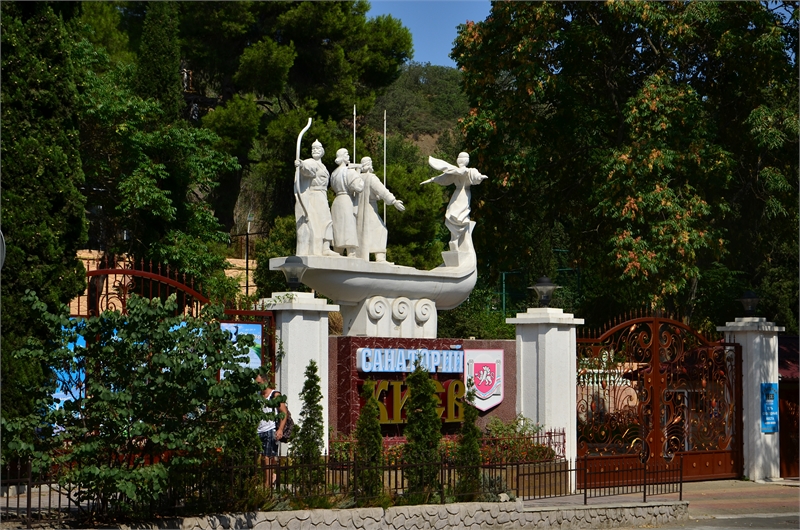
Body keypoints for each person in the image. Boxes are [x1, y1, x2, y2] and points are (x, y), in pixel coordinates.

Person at [422, 152, 487, 251]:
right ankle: (455, 239)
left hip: (459, 194)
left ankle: (456, 239)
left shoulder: (459, 171)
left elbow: (476, 177)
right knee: (458, 215)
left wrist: (480, 177)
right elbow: (444, 178)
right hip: (463, 195)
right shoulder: (461, 171)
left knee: (458, 215)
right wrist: (432, 179)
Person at [356, 157, 405, 262]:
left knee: (363, 231)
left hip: (359, 208)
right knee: (381, 230)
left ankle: (362, 254)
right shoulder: (371, 178)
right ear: (369, 165)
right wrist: (394, 201)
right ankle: (380, 257)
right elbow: (382, 190)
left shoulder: (358, 177)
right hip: (369, 207)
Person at [294, 140, 337, 256]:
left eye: (318, 148)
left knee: (327, 220)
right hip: (314, 196)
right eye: (313, 149)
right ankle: (318, 248)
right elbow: (308, 170)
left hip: (322, 195)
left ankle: (326, 247)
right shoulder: (310, 162)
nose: (315, 151)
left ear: (322, 151)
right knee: (316, 223)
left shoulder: (323, 166)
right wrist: (301, 165)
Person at [329, 148, 364, 256]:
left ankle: (337, 251)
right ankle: (351, 252)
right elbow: (359, 187)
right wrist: (358, 173)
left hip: (336, 201)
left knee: (338, 228)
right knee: (348, 227)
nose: (348, 156)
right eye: (347, 154)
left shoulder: (334, 173)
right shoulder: (349, 171)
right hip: (346, 200)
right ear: (342, 157)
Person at [255, 374, 288, 484]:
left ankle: (268, 484)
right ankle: (271, 477)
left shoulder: (275, 395)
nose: (257, 385)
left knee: (267, 457)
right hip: (259, 430)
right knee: (261, 458)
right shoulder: (257, 396)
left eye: (259, 383)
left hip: (271, 429)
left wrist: (280, 429)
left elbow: (284, 413)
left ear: (265, 382)